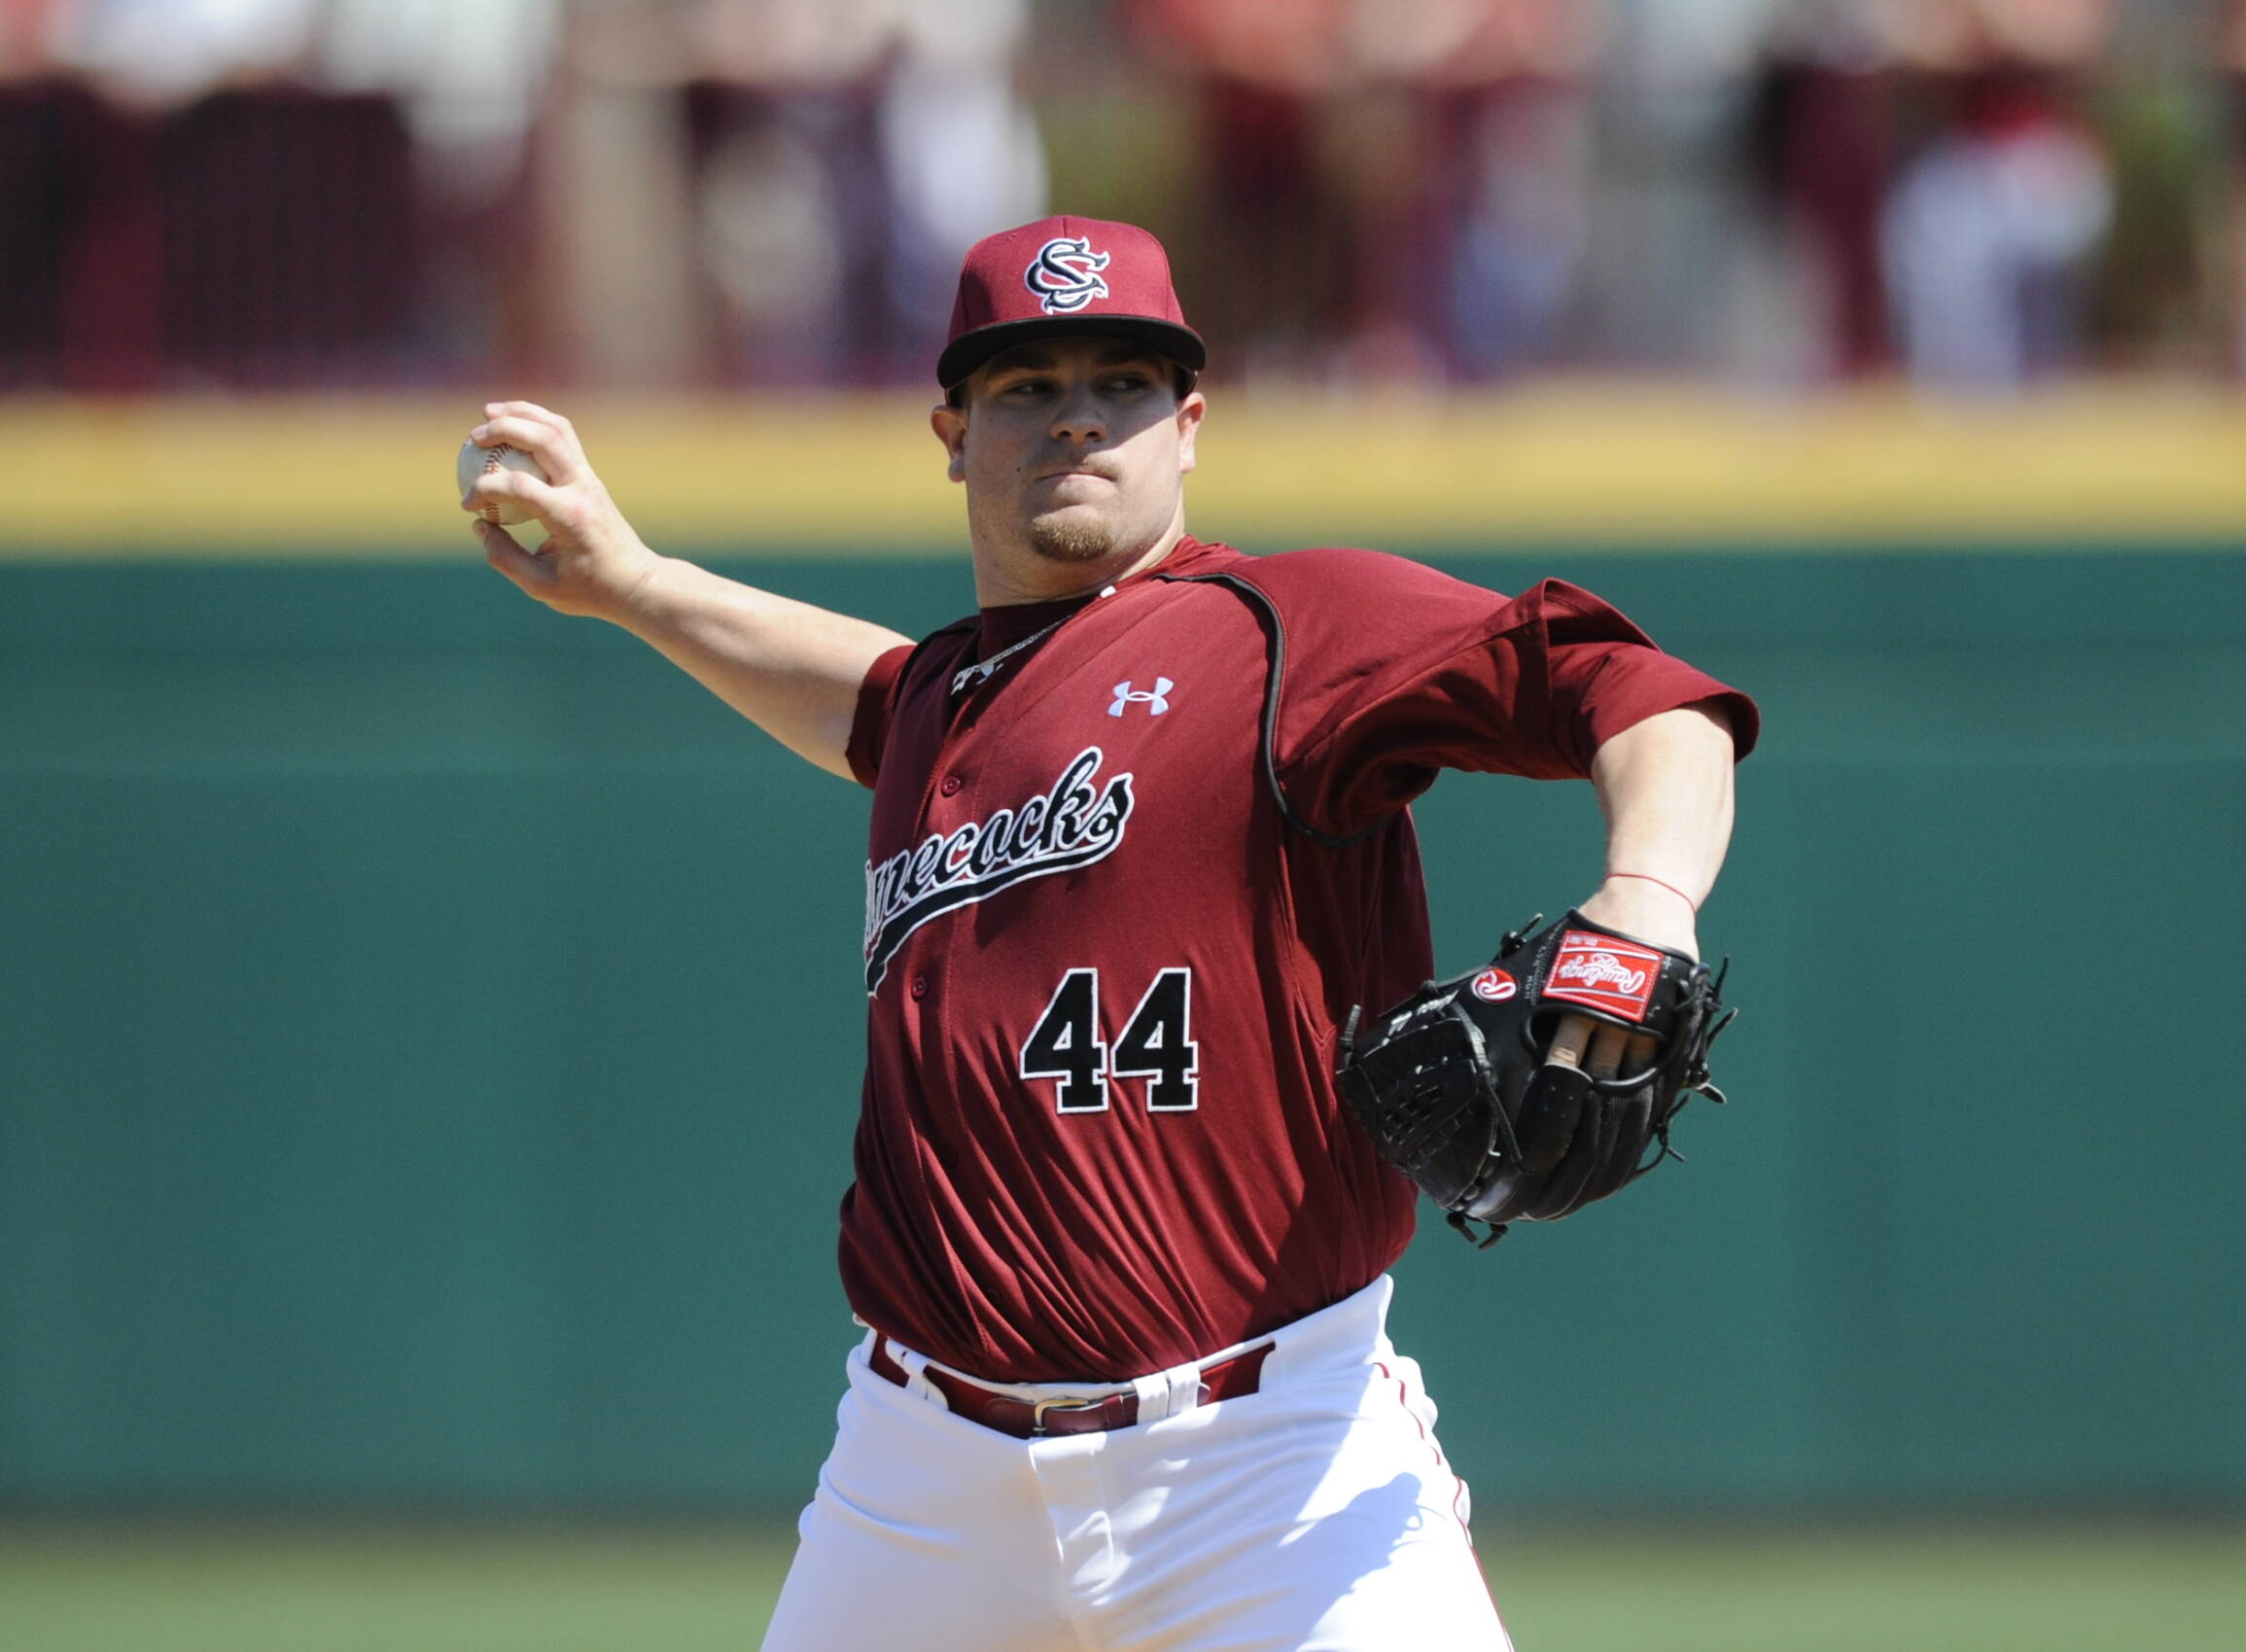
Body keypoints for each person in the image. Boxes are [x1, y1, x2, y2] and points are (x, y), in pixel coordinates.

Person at [462, 215, 1757, 1652]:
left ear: (1188, 424)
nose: (1077, 410)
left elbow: (1648, 698)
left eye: (1123, 380)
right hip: (918, 1481)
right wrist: (637, 583)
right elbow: (866, 697)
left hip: (1268, 1468)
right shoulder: (940, 706)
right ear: (952, 432)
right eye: (1026, 382)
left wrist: (1644, 900)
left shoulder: (1286, 630)